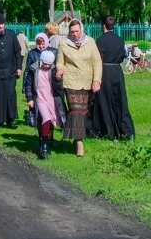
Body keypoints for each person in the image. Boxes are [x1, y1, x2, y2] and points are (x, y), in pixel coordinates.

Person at [54, 19, 102, 158]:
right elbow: (60, 61)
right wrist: (59, 70)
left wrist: (97, 80)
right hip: (71, 82)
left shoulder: (90, 42)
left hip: (87, 82)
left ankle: (77, 137)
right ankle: (79, 143)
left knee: (84, 112)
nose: (74, 34)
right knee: (76, 111)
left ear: (81, 30)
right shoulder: (64, 43)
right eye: (72, 32)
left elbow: (97, 62)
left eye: (77, 31)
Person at [92, 16, 135, 140]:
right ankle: (125, 130)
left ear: (103, 26)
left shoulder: (100, 40)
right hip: (117, 71)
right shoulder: (120, 39)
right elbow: (123, 55)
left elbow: (97, 58)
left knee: (104, 101)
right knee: (120, 100)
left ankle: (108, 129)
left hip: (104, 71)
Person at [23, 49, 64, 159]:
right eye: (45, 64)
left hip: (51, 98)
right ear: (41, 61)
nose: (46, 66)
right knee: (45, 118)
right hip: (39, 98)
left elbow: (59, 88)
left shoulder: (54, 70)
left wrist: (59, 80)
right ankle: (44, 144)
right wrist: (29, 98)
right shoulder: (34, 69)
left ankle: (45, 138)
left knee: (50, 120)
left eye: (49, 65)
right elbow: (28, 84)